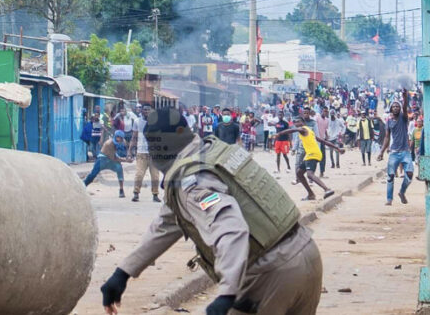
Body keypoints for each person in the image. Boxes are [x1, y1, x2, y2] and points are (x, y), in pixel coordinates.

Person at [100, 108, 323, 315]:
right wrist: (123, 273)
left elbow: (231, 229)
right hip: (305, 253)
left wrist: (227, 293)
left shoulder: (192, 181)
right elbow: (167, 223)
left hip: (272, 274)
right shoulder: (210, 151)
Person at [276, 117, 344, 201]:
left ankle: (327, 189)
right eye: (295, 122)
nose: (296, 124)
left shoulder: (303, 129)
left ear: (303, 122)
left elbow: (292, 130)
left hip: (313, 154)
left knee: (309, 174)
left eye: (298, 121)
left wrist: (280, 133)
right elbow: (323, 141)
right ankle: (311, 194)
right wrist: (337, 148)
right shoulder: (310, 131)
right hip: (311, 155)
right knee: (299, 173)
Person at [377, 89, 413, 206]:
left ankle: (402, 192)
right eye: (394, 106)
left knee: (409, 174)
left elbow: (405, 107)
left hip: (405, 151)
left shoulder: (404, 118)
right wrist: (381, 152)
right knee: (390, 176)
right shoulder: (389, 121)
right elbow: (387, 137)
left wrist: (405, 96)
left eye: (398, 106)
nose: (396, 108)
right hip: (394, 152)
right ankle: (389, 199)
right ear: (391, 109)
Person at [84, 130, 132, 197]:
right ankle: (83, 185)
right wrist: (126, 160)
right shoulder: (108, 144)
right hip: (102, 159)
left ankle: (121, 190)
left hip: (112, 158)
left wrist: (128, 155)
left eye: (120, 138)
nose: (119, 139)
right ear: (115, 137)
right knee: (93, 174)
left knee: (119, 168)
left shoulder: (123, 141)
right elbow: (114, 158)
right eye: (118, 137)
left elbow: (126, 148)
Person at [128, 104, 161, 203]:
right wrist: (129, 151)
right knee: (139, 174)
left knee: (155, 176)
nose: (146, 111)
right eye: (144, 110)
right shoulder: (137, 122)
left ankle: (155, 194)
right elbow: (134, 137)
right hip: (141, 153)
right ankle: (136, 193)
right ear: (141, 111)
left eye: (148, 110)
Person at [291, 107, 318, 186]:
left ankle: (310, 179)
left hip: (310, 147)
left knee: (310, 163)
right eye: (304, 113)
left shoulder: (313, 123)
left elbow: (316, 135)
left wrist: (317, 147)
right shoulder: (300, 123)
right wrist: (294, 148)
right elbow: (297, 137)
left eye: (307, 113)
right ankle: (297, 178)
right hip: (301, 147)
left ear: (310, 113)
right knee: (298, 163)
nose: (306, 114)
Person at [315, 107, 330, 177]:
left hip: (322, 140)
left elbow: (325, 129)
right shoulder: (317, 118)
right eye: (324, 111)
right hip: (316, 140)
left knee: (323, 157)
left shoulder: (327, 120)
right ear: (322, 111)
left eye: (326, 112)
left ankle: (322, 172)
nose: (325, 113)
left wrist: (326, 136)